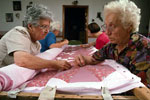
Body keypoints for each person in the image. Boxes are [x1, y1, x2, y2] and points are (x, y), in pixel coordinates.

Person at [74, 0, 150, 87]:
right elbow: (94, 59)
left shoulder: (144, 47)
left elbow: (142, 88)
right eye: (106, 26)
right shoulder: (111, 47)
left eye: (112, 26)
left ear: (129, 27)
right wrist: (82, 59)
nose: (107, 32)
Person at [0, 4, 71, 70]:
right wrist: (54, 64)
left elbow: (34, 62)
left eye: (48, 27)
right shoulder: (18, 33)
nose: (47, 31)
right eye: (43, 26)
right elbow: (22, 60)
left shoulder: (37, 43)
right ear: (30, 26)